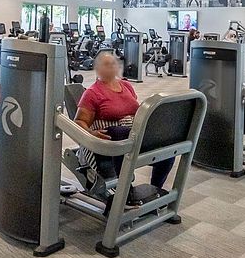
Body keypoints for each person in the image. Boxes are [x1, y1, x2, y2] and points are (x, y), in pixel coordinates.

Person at [74, 52, 174, 200]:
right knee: (119, 132)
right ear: (97, 69)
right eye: (106, 64)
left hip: (132, 135)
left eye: (113, 63)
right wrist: (91, 133)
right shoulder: (92, 93)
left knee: (167, 145)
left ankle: (156, 190)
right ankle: (125, 193)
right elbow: (79, 122)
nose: (111, 66)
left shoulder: (126, 85)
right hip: (108, 142)